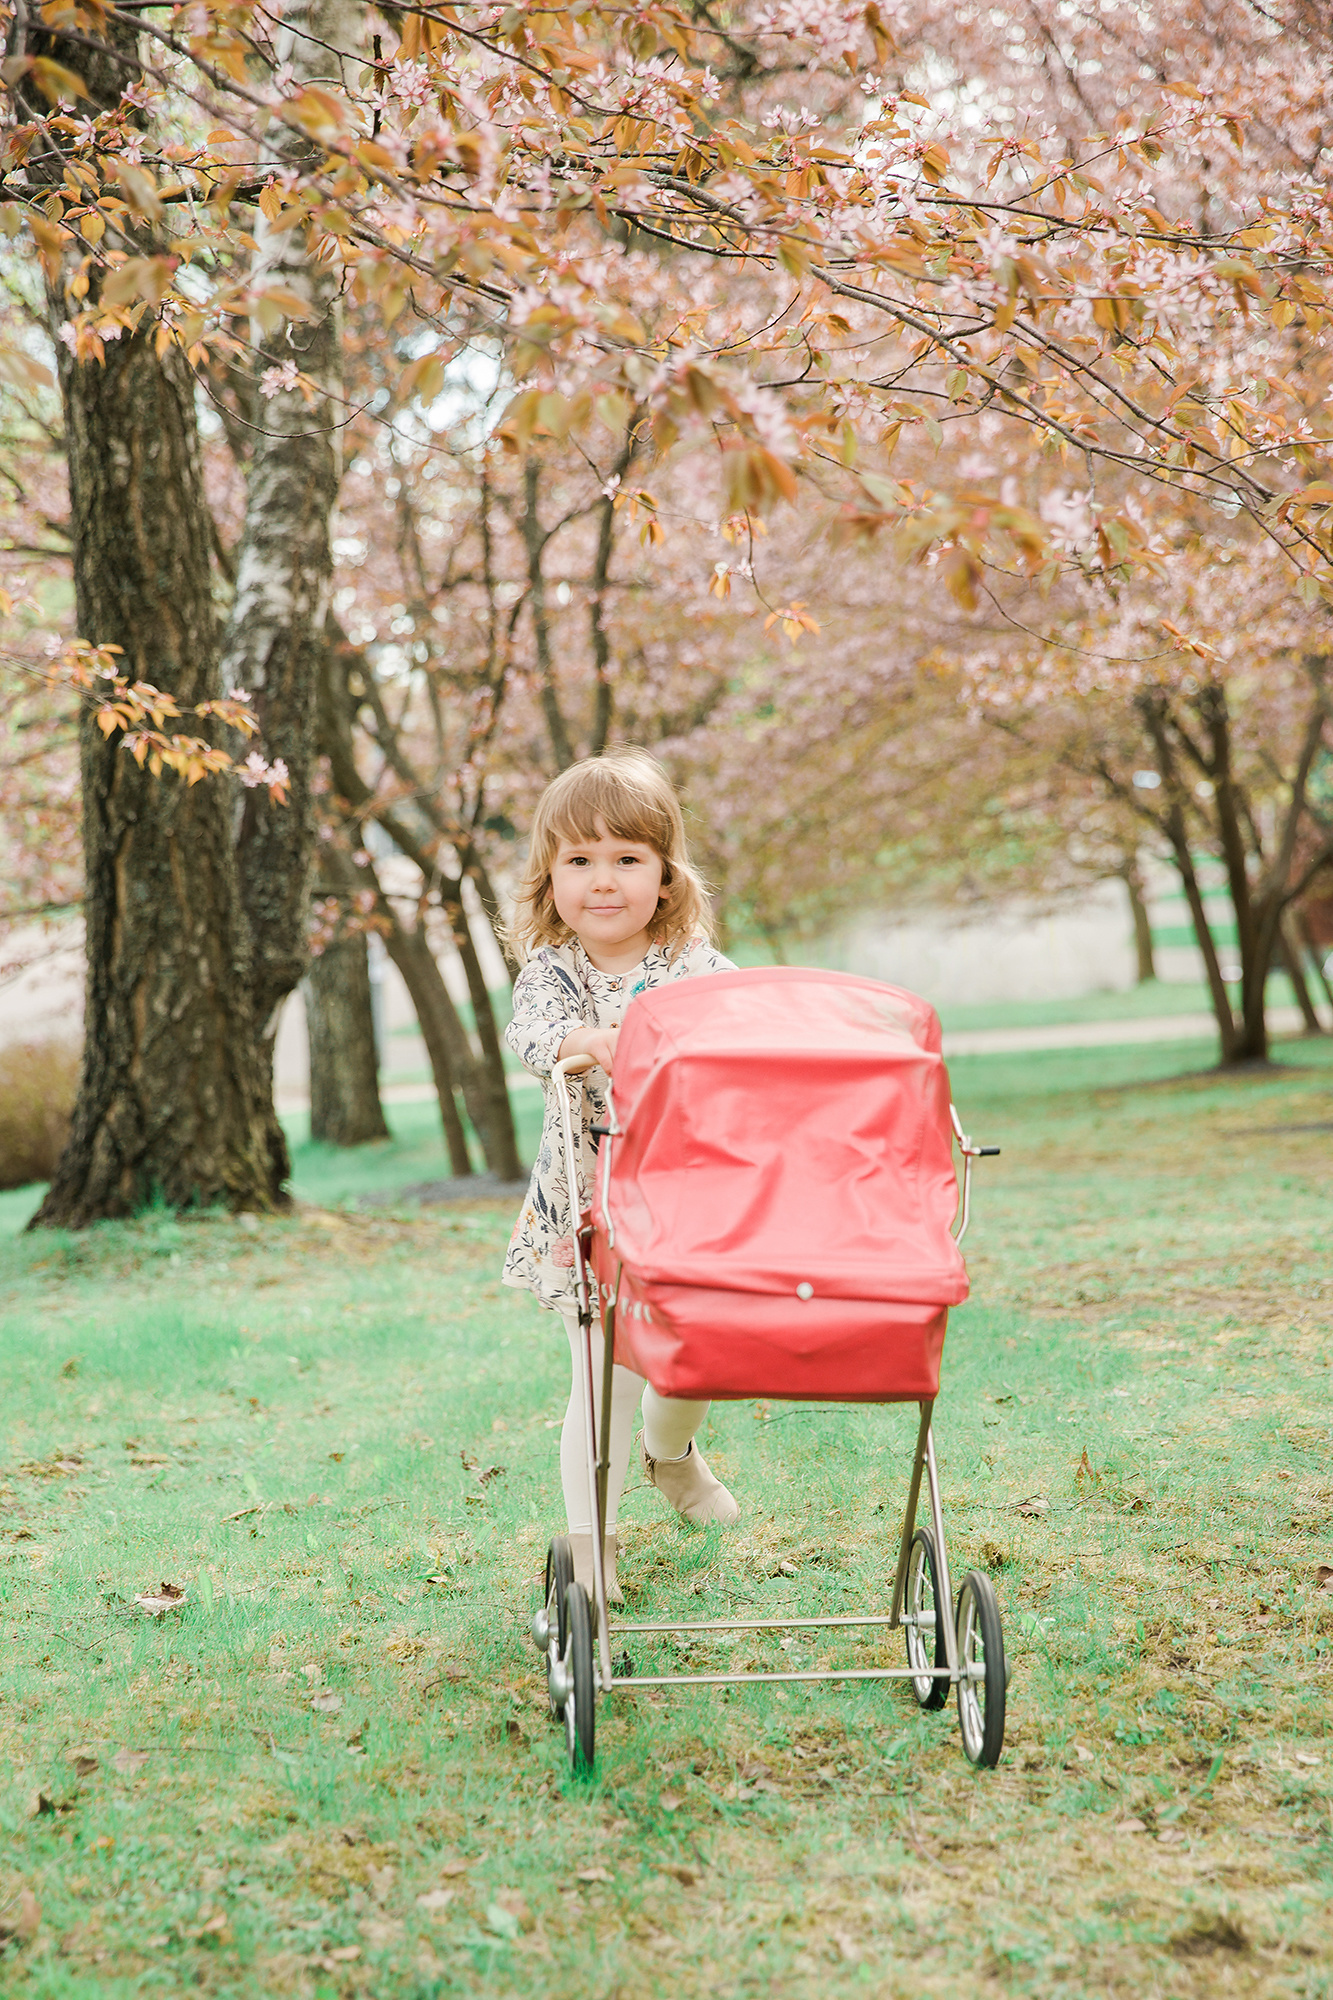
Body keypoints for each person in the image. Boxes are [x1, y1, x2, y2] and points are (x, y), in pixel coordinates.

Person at [503, 749, 739, 1602]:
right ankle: (591, 1547)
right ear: (550, 877)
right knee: (597, 1380)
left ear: (666, 877)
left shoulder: (697, 970)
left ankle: (669, 1455)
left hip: (688, 1208)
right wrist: (587, 1042)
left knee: (691, 1363)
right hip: (587, 1212)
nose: (603, 881)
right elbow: (534, 1036)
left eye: (627, 859)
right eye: (579, 860)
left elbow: (744, 1034)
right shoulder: (553, 973)